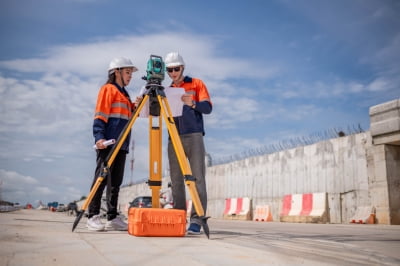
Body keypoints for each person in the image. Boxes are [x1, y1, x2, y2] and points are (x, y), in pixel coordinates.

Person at [87, 57, 139, 231]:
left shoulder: (125, 95)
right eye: (127, 72)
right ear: (116, 72)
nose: (130, 76)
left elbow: (128, 117)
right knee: (101, 179)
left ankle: (112, 217)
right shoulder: (108, 89)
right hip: (108, 143)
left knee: (116, 182)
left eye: (131, 73)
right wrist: (99, 137)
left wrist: (135, 106)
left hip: (122, 144)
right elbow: (100, 115)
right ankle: (92, 215)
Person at [164, 52, 212, 235]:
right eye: (170, 70)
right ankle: (178, 218)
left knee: (197, 178)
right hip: (173, 137)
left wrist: (193, 104)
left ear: (182, 68)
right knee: (176, 181)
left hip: (194, 135)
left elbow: (207, 108)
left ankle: (197, 220)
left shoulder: (196, 84)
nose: (173, 72)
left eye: (176, 69)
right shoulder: (166, 91)